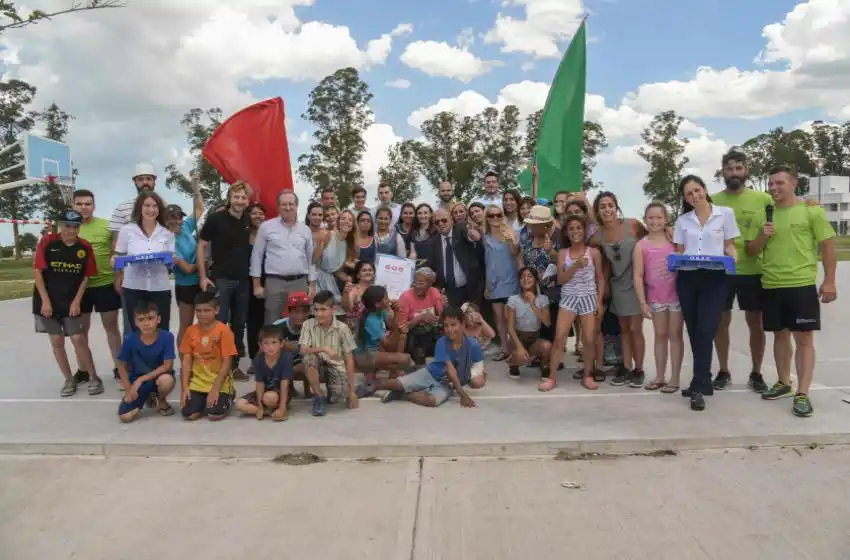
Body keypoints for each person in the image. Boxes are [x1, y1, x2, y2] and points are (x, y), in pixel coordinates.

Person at [746, 166, 837, 417]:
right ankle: (784, 382)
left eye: (779, 183)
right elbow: (751, 251)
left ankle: (803, 393)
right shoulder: (762, 214)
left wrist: (829, 281)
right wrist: (762, 237)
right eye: (771, 184)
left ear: (793, 184)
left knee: (804, 339)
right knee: (780, 335)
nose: (774, 188)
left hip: (801, 284)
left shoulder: (811, 211)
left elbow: (828, 247)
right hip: (772, 284)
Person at [673, 175, 740, 412]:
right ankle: (702, 380)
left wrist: (733, 253)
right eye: (689, 193)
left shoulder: (725, 214)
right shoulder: (683, 220)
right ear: (685, 198)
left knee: (706, 329)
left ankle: (698, 386)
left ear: (705, 189)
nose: (694, 196)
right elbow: (680, 251)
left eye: (697, 190)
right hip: (688, 279)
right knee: (694, 331)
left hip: (716, 279)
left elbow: (730, 244)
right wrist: (673, 260)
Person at [711, 150, 771, 392]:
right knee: (720, 323)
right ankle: (723, 370)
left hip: (753, 270)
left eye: (739, 168)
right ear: (723, 172)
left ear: (746, 170)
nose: (734, 173)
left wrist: (808, 202)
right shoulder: (712, 200)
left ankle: (756, 372)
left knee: (755, 323)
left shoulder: (763, 199)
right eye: (729, 168)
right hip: (721, 271)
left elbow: (788, 206)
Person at [33, 209, 102, 397]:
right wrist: (45, 301)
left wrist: (77, 301)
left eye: (75, 226)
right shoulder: (48, 242)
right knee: (56, 340)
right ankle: (69, 379)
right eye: (67, 226)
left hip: (71, 299)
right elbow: (38, 271)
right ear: (60, 225)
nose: (71, 230)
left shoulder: (84, 247)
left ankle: (93, 377)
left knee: (78, 339)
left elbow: (87, 276)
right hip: (48, 299)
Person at [371, 307, 486, 408]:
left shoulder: (473, 345)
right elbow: (450, 370)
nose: (449, 329)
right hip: (430, 374)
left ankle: (403, 394)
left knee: (431, 401)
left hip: (447, 385)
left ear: (462, 324)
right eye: (446, 326)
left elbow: (478, 366)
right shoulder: (442, 342)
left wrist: (472, 377)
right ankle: (373, 386)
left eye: (453, 325)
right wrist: (462, 394)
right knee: (398, 383)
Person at [542, 215, 605, 392]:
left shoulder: (594, 252)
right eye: (571, 228)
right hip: (569, 297)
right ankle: (552, 377)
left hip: (588, 298)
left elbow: (600, 278)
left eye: (579, 228)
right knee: (560, 337)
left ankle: (588, 375)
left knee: (589, 339)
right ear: (567, 232)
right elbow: (561, 279)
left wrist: (599, 302)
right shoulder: (563, 253)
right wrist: (575, 266)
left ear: (584, 230)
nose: (575, 231)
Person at [198, 181, 254, 380]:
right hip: (221, 279)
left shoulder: (248, 220)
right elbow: (202, 246)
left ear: (248, 201)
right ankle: (214, 366)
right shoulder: (215, 219)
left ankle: (234, 366)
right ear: (230, 197)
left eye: (243, 197)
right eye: (236, 196)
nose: (240, 201)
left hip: (242, 281)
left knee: (239, 325)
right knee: (219, 324)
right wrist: (203, 276)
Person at [594, 191, 646, 387]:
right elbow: (584, 245)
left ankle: (639, 369)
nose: (607, 209)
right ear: (597, 211)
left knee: (635, 328)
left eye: (610, 205)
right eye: (602, 206)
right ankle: (625, 366)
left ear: (616, 207)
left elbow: (651, 240)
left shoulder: (632, 225)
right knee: (623, 329)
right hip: (616, 285)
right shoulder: (598, 235)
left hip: (635, 283)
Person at [633, 202, 683, 393]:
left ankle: (675, 378)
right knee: (660, 336)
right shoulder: (641, 246)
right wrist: (642, 302)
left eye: (659, 217)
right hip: (656, 298)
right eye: (651, 218)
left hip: (676, 297)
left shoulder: (674, 241)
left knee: (675, 336)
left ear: (666, 219)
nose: (655, 221)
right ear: (645, 220)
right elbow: (638, 275)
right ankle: (660, 376)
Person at [74, 189, 122, 384]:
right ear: (73, 205)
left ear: (94, 205)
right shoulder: (68, 228)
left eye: (88, 203)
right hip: (79, 288)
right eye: (79, 204)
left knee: (111, 327)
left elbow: (115, 253)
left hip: (105, 283)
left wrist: (118, 276)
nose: (84, 207)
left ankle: (119, 367)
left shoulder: (107, 226)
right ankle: (84, 369)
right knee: (80, 331)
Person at [109, 163, 159, 336]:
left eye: (148, 179)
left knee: (157, 324)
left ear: (154, 182)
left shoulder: (163, 207)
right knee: (132, 324)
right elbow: (116, 246)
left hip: (156, 278)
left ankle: (159, 363)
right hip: (131, 278)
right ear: (134, 182)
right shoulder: (122, 208)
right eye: (140, 179)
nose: (145, 182)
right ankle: (132, 363)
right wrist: (118, 275)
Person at [251, 191, 316, 325]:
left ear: (297, 206)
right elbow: (256, 257)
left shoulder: (305, 230)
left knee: (301, 322)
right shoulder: (266, 227)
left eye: (291, 204)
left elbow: (311, 259)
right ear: (278, 207)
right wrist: (256, 285)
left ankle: (300, 347)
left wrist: (312, 284)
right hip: (274, 283)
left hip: (299, 282)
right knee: (272, 322)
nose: (288, 208)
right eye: (284, 204)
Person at [114, 191, 176, 334]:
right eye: (147, 205)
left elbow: (170, 262)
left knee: (161, 330)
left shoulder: (167, 233)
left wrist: (170, 261)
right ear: (139, 208)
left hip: (160, 288)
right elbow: (119, 256)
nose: (151, 210)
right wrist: (116, 264)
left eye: (155, 206)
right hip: (133, 287)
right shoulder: (127, 230)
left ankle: (161, 357)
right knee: (137, 331)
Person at [298, 290, 359, 416]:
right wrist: (323, 349)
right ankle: (318, 396)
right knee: (309, 357)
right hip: (316, 365)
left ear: (333, 309)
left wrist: (352, 391)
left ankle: (355, 389)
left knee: (337, 399)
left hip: (336, 367)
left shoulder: (343, 328)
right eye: (316, 310)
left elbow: (349, 359)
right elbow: (303, 350)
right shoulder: (307, 324)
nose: (319, 314)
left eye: (323, 309)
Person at [179, 291, 238, 420]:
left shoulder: (224, 330)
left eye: (207, 310)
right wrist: (185, 388)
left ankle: (229, 394)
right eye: (198, 311)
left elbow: (227, 362)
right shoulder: (191, 331)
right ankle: (201, 399)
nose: (202, 314)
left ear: (216, 310)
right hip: (198, 383)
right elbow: (186, 361)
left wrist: (215, 389)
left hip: (219, 383)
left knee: (213, 415)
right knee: (189, 415)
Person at [116, 301, 177, 422]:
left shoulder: (167, 336)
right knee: (125, 417)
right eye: (141, 319)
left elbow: (167, 365)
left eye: (150, 318)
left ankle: (161, 399)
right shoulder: (130, 339)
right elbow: (121, 365)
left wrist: (141, 379)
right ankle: (147, 396)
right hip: (137, 383)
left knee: (166, 381)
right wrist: (129, 389)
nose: (146, 323)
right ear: (136, 322)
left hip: (157, 378)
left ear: (158, 319)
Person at [423, 209, 483, 308]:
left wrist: (472, 237)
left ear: (451, 219)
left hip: (471, 288)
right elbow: (431, 267)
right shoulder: (432, 243)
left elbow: (467, 234)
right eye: (437, 222)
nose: (441, 224)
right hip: (449, 293)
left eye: (444, 220)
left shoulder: (460, 229)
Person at [482, 204, 520, 361]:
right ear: (487, 219)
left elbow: (514, 252)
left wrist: (512, 240)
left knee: (510, 318)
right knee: (499, 319)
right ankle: (505, 349)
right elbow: (487, 261)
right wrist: (487, 285)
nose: (495, 218)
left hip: (510, 281)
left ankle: (515, 349)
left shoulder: (510, 232)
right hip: (494, 283)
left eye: (498, 214)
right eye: (491, 216)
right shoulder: (485, 237)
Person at [235, 325, 293, 421]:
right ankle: (268, 412)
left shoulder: (286, 358)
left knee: (270, 397)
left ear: (281, 344)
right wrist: (260, 405)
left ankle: (278, 409)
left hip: (280, 392)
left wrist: (283, 407)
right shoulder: (258, 359)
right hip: (265, 391)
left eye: (274, 342)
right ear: (261, 345)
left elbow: (285, 384)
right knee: (239, 404)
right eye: (266, 343)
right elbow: (259, 383)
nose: (270, 347)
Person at [354, 285, 413, 379]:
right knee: (405, 360)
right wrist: (399, 329)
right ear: (377, 304)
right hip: (365, 356)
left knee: (402, 337)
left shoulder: (380, 311)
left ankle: (391, 373)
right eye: (386, 298)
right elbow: (389, 345)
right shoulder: (372, 320)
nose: (389, 300)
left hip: (377, 349)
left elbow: (392, 327)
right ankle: (371, 370)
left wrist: (396, 311)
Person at [506, 268, 552, 380]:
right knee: (522, 358)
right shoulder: (513, 300)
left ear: (536, 280)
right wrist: (520, 347)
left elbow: (547, 322)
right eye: (522, 277)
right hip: (517, 337)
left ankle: (544, 366)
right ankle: (513, 364)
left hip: (534, 337)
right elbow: (510, 327)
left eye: (530, 276)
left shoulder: (543, 299)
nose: (526, 279)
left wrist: (533, 305)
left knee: (547, 346)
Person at [397, 267, 445, 364]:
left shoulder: (434, 292)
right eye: (415, 282)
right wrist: (419, 318)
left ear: (430, 284)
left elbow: (442, 315)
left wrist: (438, 317)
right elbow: (401, 327)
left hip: (432, 333)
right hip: (412, 336)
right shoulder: (405, 297)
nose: (417, 286)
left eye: (421, 283)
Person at [273, 292, 311, 395]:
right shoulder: (277, 327)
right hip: (280, 364)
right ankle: (288, 388)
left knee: (309, 360)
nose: (301, 316)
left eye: (304, 312)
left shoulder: (311, 325)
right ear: (289, 313)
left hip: (301, 360)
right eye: (296, 312)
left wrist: (292, 348)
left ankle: (307, 390)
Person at [245, 202, 267, 369]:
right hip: (247, 282)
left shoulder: (269, 235)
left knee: (268, 321)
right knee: (253, 322)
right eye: (254, 213)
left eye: (261, 213)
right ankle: (255, 358)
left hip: (269, 280)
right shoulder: (242, 235)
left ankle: (269, 356)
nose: (258, 216)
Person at [316, 208, 353, 302]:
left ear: (353, 225)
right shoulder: (327, 235)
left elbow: (336, 270)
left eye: (350, 220)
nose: (346, 222)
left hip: (330, 280)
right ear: (338, 221)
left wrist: (350, 280)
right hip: (316, 280)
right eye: (343, 218)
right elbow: (312, 261)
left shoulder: (346, 244)